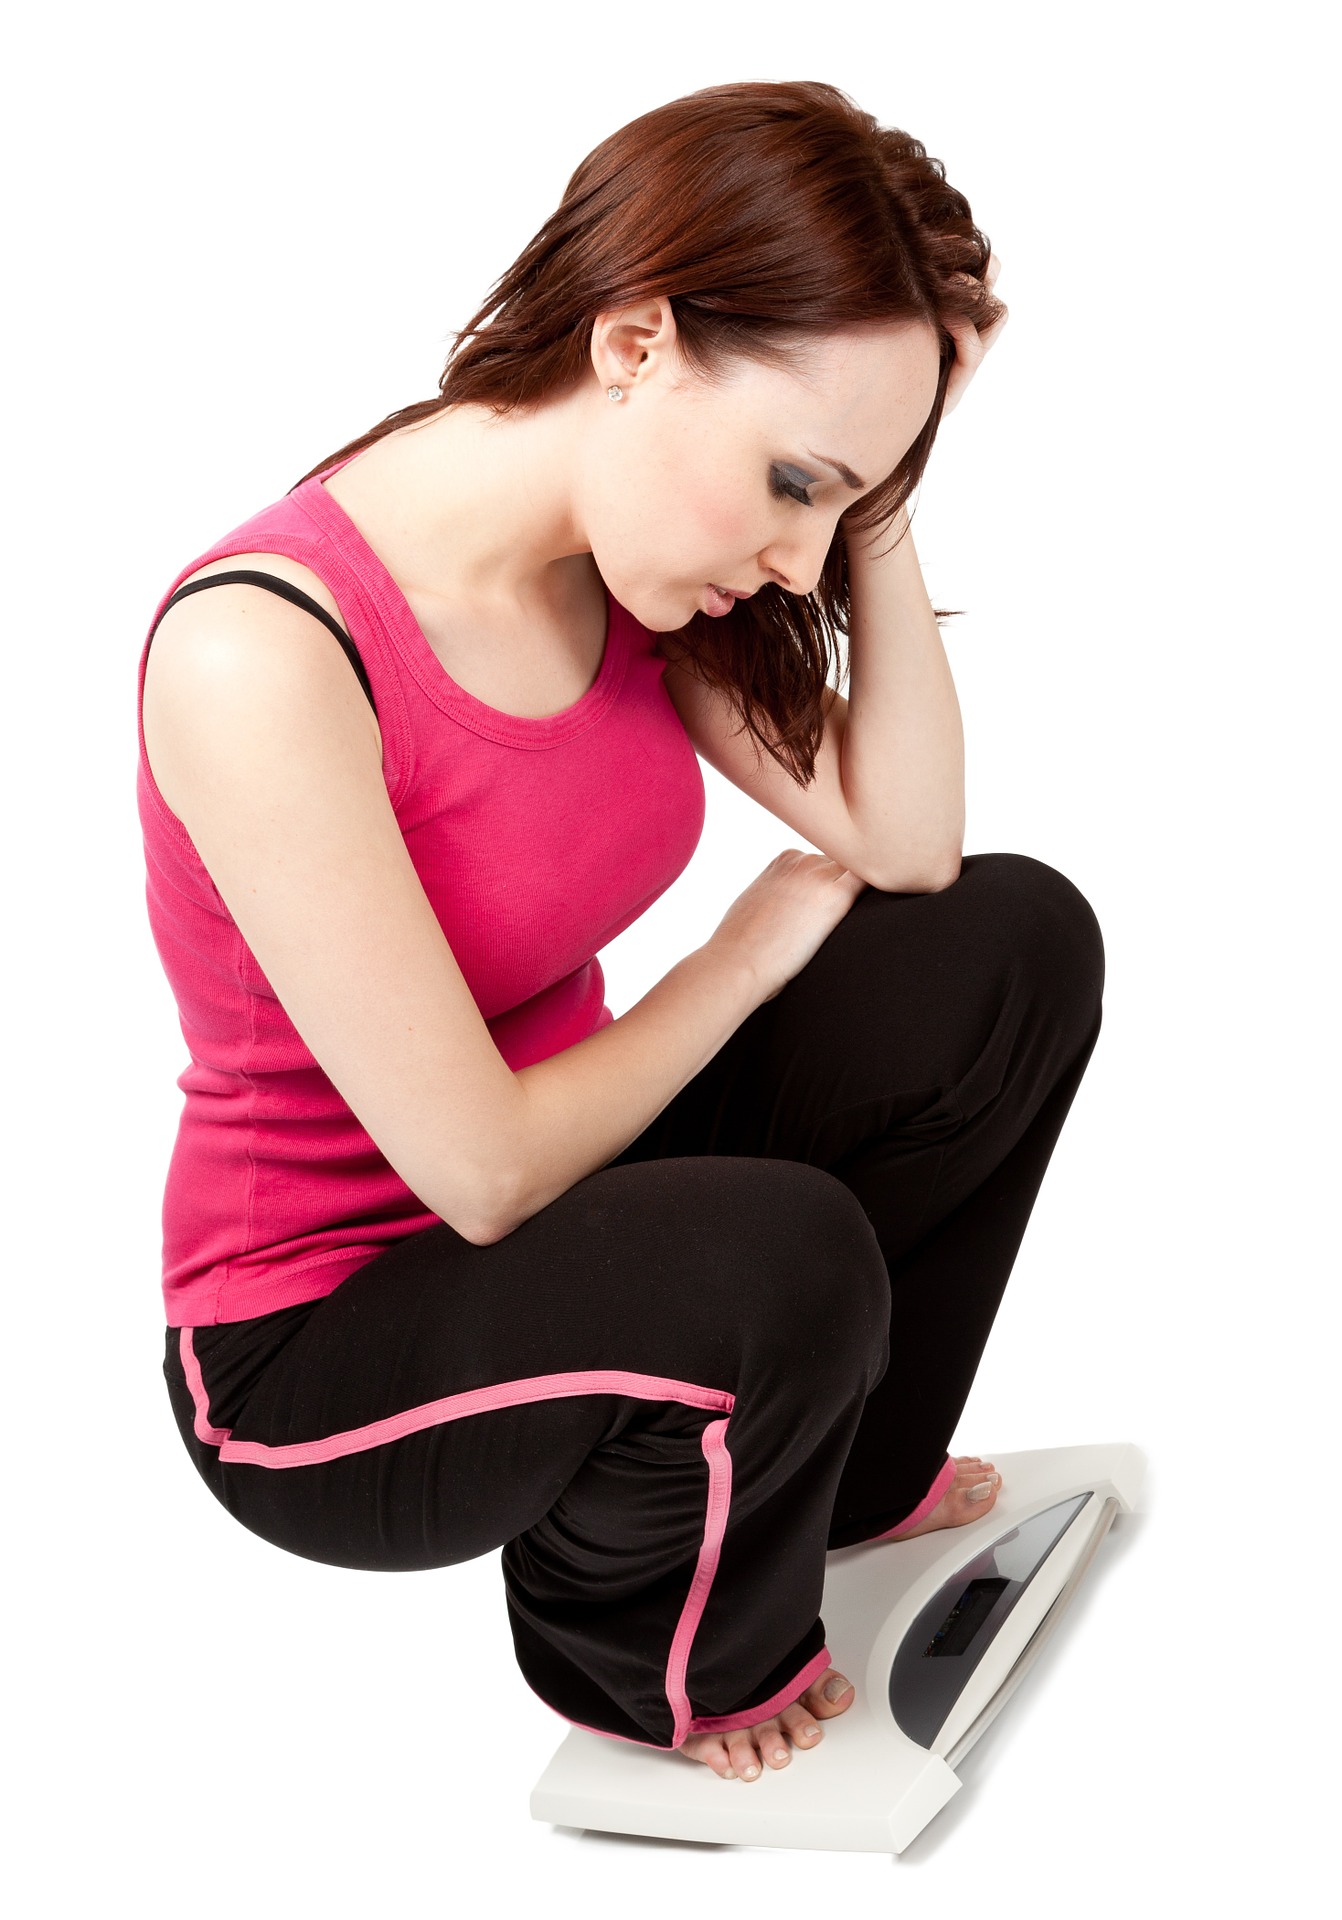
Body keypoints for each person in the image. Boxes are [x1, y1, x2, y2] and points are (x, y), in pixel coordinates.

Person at [137, 78, 1104, 1787]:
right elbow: (484, 1173)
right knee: (773, 1253)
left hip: (574, 1209)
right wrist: (735, 957)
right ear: (637, 342)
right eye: (790, 482)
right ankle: (656, 1677)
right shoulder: (263, 652)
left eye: (842, 507)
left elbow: (910, 842)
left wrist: (875, 476)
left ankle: (846, 1485)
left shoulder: (629, 561)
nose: (801, 558)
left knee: (1005, 947)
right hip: (316, 1352)